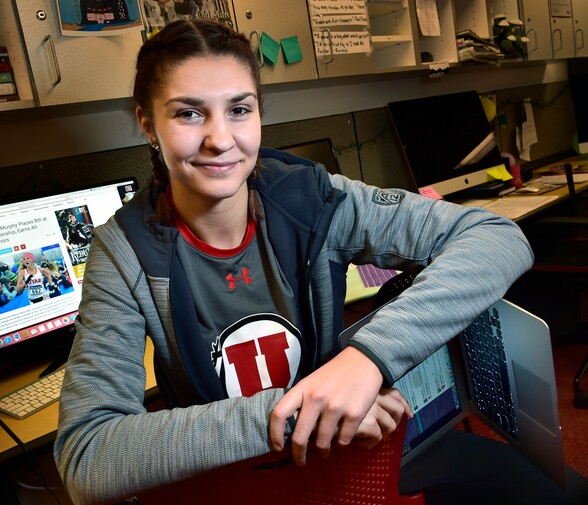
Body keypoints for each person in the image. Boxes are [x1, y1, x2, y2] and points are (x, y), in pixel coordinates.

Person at [53, 19, 584, 505]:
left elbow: (496, 237)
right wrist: (294, 411)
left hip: (353, 456)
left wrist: (367, 360)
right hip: (241, 482)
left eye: (240, 109)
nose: (220, 139)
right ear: (148, 123)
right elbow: (87, 455)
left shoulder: (315, 199)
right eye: (189, 113)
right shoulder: (122, 251)